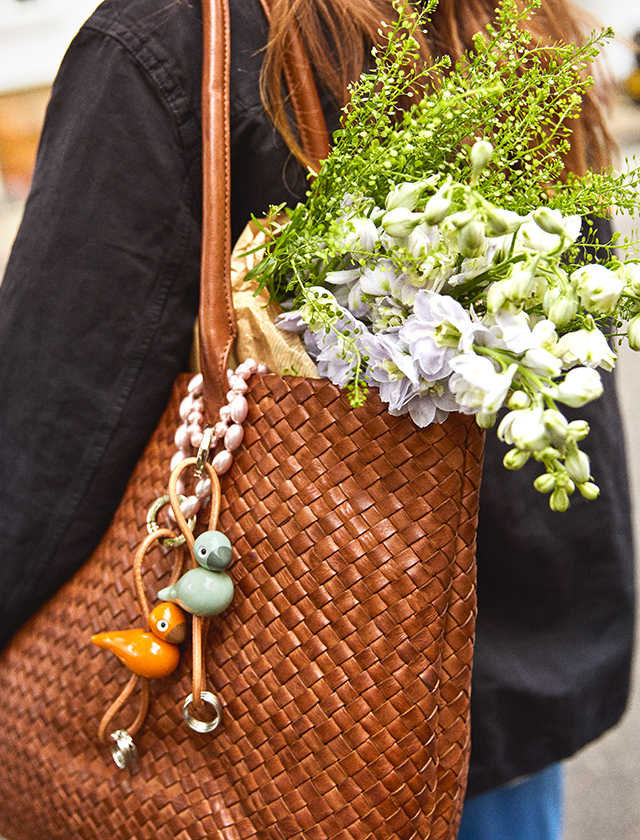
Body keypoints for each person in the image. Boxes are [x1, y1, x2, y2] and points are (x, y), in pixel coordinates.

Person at [0, 0, 633, 837]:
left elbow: (53, 427)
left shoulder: (179, 37)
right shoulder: (528, 26)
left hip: (272, 748)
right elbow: (569, 348)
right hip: (495, 708)